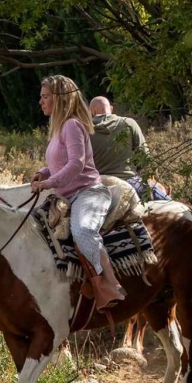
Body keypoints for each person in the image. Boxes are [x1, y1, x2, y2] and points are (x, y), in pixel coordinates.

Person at [31, 76, 125, 308]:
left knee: (82, 231)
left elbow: (76, 163)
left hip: (88, 192)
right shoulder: (59, 128)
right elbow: (60, 163)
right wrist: (43, 172)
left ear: (60, 99)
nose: (40, 102)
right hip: (66, 196)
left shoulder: (72, 125)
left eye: (45, 97)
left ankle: (109, 285)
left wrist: (49, 182)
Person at [87, 95, 151, 194]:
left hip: (96, 184)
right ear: (111, 108)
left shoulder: (84, 129)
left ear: (91, 111)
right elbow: (145, 156)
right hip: (129, 181)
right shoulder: (129, 123)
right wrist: (133, 170)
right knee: (167, 200)